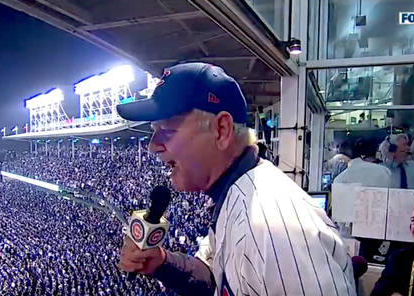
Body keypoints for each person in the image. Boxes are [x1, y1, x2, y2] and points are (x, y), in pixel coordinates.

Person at [116, 62, 356, 296]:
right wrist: (162, 263)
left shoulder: (273, 232)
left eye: (167, 130)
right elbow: (217, 279)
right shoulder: (235, 193)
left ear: (221, 130)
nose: (152, 146)